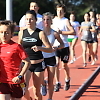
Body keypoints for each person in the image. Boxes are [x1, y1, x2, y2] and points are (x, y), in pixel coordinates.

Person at [18, 10, 53, 100]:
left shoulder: (40, 33)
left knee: (36, 90)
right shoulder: (22, 33)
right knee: (24, 89)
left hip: (38, 64)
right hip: (26, 65)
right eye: (27, 19)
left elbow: (50, 49)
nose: (29, 21)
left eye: (31, 19)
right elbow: (18, 48)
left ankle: (42, 85)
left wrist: (40, 48)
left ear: (35, 20)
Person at [0, 20, 31, 100]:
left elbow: (28, 62)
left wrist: (20, 76)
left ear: (11, 34)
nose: (4, 35)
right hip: (3, 81)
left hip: (16, 81)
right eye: (1, 32)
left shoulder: (17, 47)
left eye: (6, 32)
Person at [40, 12, 64, 100]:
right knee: (41, 78)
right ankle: (43, 84)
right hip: (41, 58)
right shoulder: (39, 32)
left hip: (51, 57)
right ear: (42, 21)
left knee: (51, 80)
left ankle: (50, 98)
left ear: (51, 21)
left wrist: (56, 47)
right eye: (44, 19)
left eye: (48, 19)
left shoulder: (54, 33)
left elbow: (62, 44)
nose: (46, 21)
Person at [52, 4, 75, 92]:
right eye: (58, 10)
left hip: (64, 46)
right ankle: (57, 82)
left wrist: (61, 32)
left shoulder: (66, 21)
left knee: (64, 65)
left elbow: (73, 32)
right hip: (56, 46)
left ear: (64, 12)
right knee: (56, 64)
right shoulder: (53, 20)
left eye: (61, 11)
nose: (59, 12)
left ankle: (67, 79)